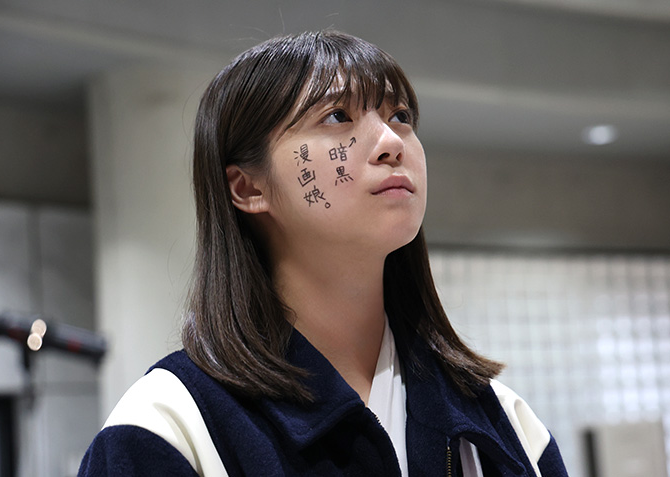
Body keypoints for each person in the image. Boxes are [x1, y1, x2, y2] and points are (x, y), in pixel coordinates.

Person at [78, 30, 568, 476]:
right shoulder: (169, 427)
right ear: (248, 187)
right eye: (337, 116)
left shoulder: (507, 425)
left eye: (400, 117)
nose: (391, 142)